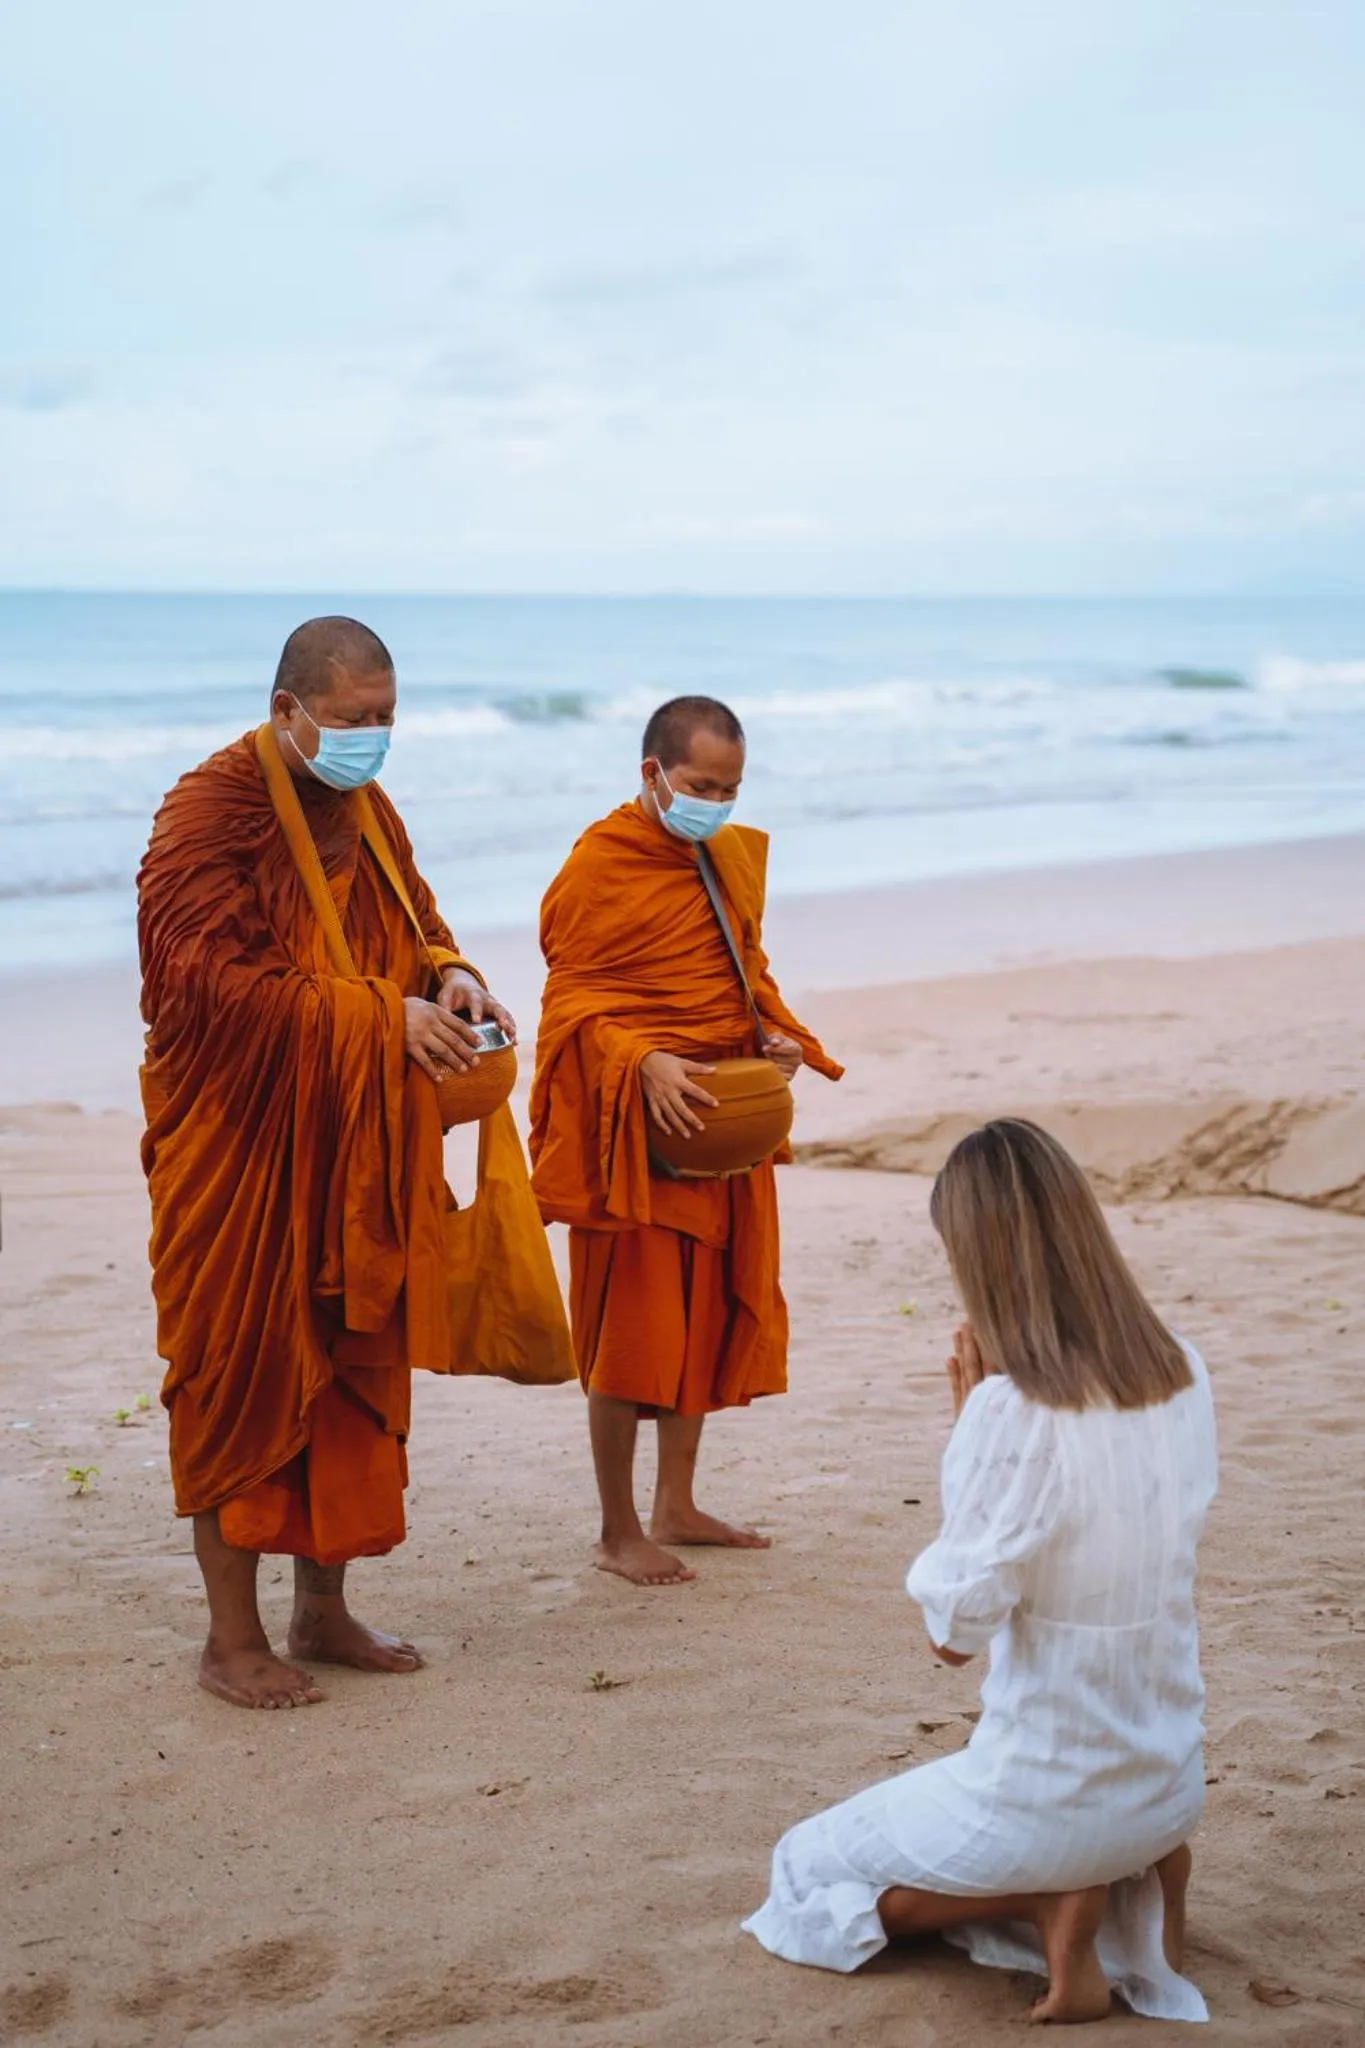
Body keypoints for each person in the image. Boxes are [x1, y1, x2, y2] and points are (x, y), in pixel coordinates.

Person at [139, 616, 563, 1710]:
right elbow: (198, 982)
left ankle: (321, 1611)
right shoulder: (207, 812)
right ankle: (231, 1639)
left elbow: (414, 925)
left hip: (356, 1146)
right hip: (242, 1146)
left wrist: (451, 976)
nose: (373, 737)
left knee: (350, 1368)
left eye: (386, 718)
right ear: (287, 710)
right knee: (237, 1372)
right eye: (352, 718)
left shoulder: (367, 806)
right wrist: (380, 1019)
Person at [744, 1119, 1218, 2025]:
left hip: (1051, 1794)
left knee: (803, 1870)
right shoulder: (1182, 1369)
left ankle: (1048, 1898)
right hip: (1167, 1779)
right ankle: (1134, 1875)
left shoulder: (1012, 1408)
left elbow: (952, 1637)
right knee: (1060, 1810)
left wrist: (969, 1434)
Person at [529, 695, 842, 1588]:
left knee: (702, 1319)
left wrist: (774, 1039)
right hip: (635, 1126)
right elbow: (571, 1002)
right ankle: (617, 1528)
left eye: (730, 789)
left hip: (718, 1121)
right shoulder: (600, 863)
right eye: (701, 786)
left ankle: (676, 1504)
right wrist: (640, 1061)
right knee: (631, 1333)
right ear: (653, 774)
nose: (716, 804)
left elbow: (746, 971)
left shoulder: (724, 856)